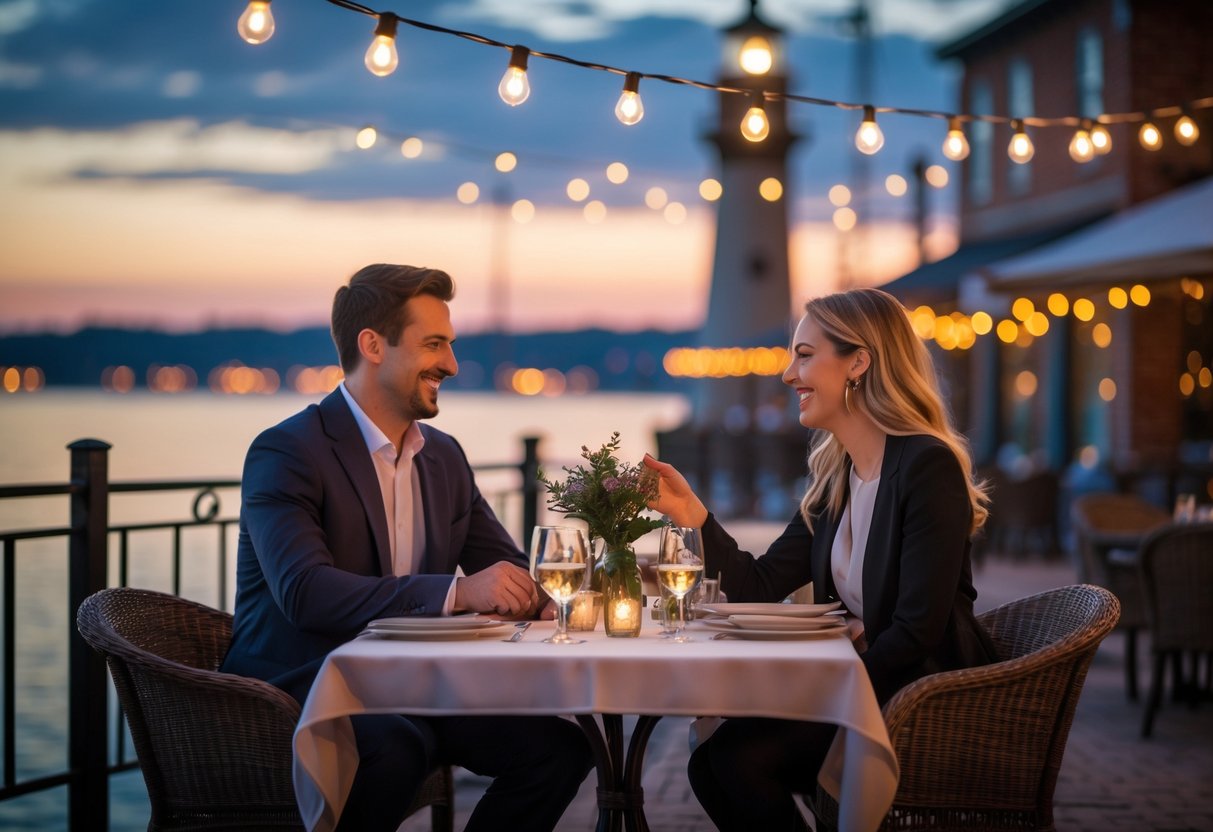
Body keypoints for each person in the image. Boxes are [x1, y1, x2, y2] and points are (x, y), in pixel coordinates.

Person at [221, 263, 592, 832]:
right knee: (397, 743)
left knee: (559, 750)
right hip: (304, 689)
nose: (450, 363)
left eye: (449, 344)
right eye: (434, 344)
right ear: (373, 345)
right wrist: (458, 592)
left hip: (412, 683)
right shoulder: (288, 451)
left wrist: (554, 590)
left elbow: (509, 567)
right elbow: (305, 593)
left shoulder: (443, 457)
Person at [643, 287, 999, 831]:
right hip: (861, 686)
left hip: (922, 702)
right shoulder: (837, 475)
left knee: (738, 761)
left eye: (805, 355)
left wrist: (819, 686)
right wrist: (692, 515)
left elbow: (915, 632)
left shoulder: (928, 467)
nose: (789, 375)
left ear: (859, 361)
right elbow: (758, 584)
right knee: (710, 764)